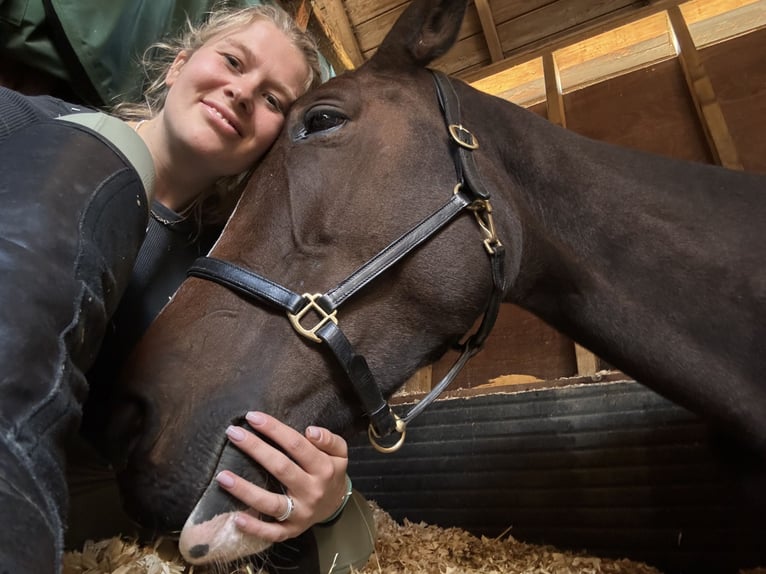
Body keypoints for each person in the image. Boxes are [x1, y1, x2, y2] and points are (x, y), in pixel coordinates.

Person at [0, 4, 374, 574]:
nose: (243, 92)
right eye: (232, 60)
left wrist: (327, 500)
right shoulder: (20, 123)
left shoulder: (215, 283)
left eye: (273, 99)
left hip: (79, 524)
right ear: (177, 66)